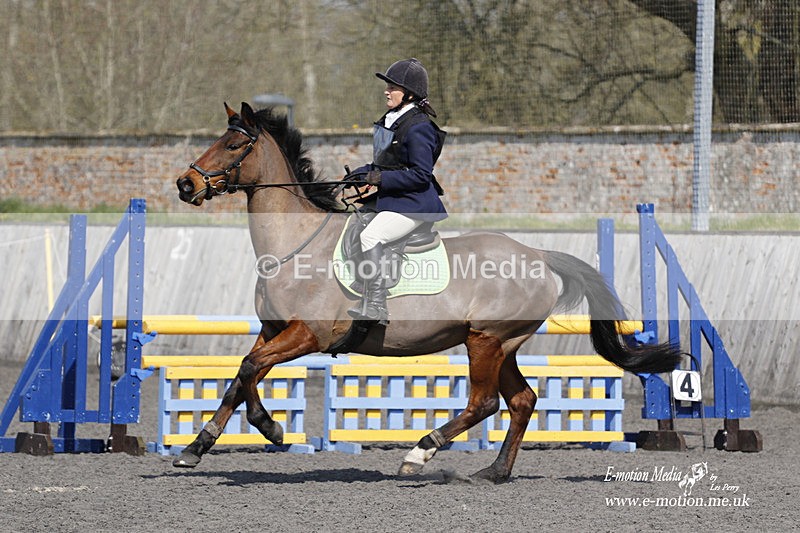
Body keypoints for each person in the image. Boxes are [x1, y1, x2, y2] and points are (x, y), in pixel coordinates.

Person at [347, 58, 448, 324]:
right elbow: (386, 164)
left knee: (371, 235)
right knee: (353, 223)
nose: (387, 90)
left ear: (410, 94)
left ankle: (377, 305)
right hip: (395, 199)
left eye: (393, 86)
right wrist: (360, 173)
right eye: (388, 85)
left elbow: (420, 175)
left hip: (414, 203)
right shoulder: (394, 121)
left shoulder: (419, 127)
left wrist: (378, 178)